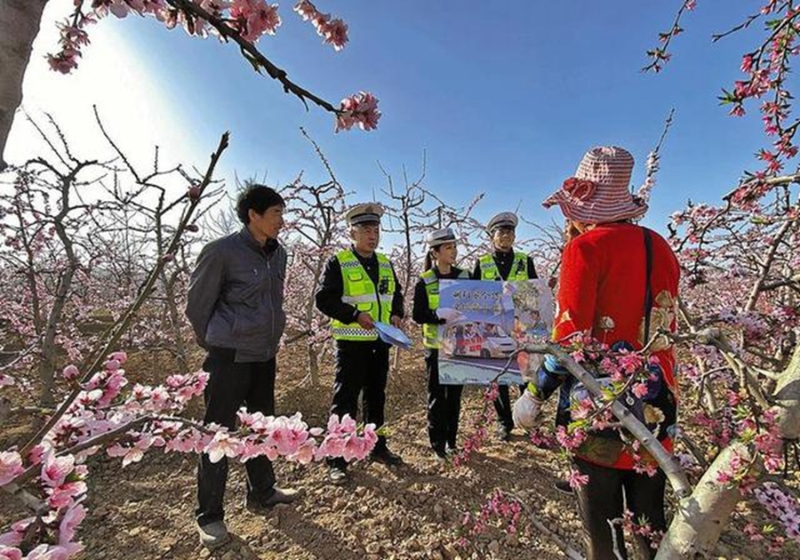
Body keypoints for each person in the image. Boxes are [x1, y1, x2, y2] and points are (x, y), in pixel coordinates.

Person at [522, 146, 680, 559]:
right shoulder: (660, 245)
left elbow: (570, 340)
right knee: (650, 524)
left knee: (604, 533)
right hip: (658, 403)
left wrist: (536, 392)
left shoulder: (585, 249)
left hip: (598, 407)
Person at [186, 185, 299, 549]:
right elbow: (197, 305)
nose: (282, 221)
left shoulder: (279, 254)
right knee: (218, 433)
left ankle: (262, 491)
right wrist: (218, 341)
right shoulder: (221, 251)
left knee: (262, 426)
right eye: (276, 213)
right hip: (229, 356)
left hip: (264, 355)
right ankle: (210, 515)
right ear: (253, 214)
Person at [315, 202, 405, 485]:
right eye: (366, 229)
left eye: (376, 230)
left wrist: (397, 313)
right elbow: (324, 299)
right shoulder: (339, 262)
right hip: (351, 344)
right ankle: (336, 459)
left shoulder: (386, 264)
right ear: (351, 232)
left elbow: (397, 294)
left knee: (376, 397)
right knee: (345, 400)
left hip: (380, 342)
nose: (372, 235)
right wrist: (354, 315)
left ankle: (377, 446)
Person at [472, 211, 538, 441]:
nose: (506, 236)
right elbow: (474, 296)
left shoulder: (525, 261)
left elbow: (535, 292)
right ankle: (504, 423)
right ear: (492, 236)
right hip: (493, 329)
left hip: (521, 328)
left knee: (525, 376)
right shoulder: (482, 264)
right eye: (501, 232)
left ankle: (527, 421)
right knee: (498, 376)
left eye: (510, 232)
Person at [412, 227, 470, 459]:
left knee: (454, 397)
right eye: (448, 247)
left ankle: (451, 442)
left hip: (459, 346)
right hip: (436, 348)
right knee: (437, 398)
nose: (453, 251)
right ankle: (437, 444)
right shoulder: (425, 281)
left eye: (454, 246)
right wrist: (437, 315)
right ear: (435, 253)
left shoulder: (465, 277)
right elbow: (418, 315)